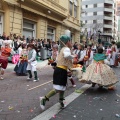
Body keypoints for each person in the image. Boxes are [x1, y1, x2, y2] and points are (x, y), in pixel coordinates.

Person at [40, 35, 76, 110]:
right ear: (67, 42)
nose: (71, 42)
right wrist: (73, 56)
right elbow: (66, 56)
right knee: (58, 89)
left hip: (60, 70)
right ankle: (44, 99)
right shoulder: (66, 49)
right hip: (61, 70)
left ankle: (61, 102)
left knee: (62, 88)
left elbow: (57, 60)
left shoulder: (62, 49)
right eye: (70, 41)